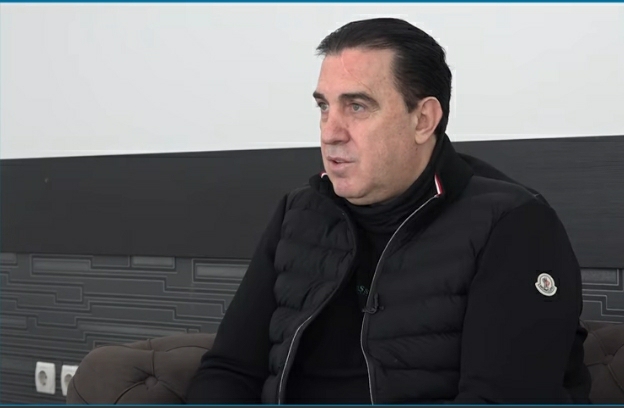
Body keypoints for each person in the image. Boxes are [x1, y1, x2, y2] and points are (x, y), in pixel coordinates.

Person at [185, 18, 591, 404]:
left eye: (357, 107)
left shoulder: (513, 223)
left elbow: (498, 399)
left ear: (423, 119)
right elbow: (230, 370)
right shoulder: (299, 213)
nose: (330, 132)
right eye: (324, 107)